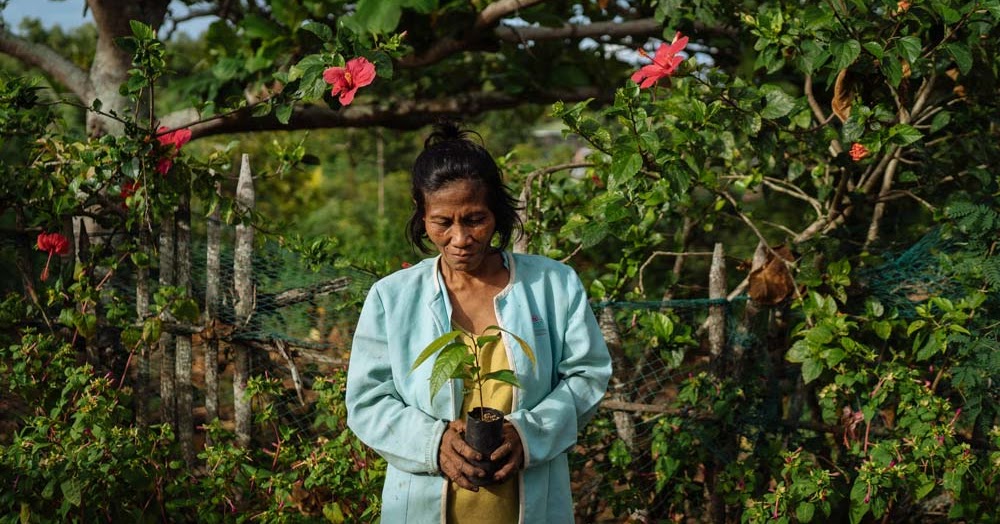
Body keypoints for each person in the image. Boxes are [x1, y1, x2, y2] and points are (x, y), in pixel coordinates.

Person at [346, 121, 612, 523]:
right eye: (442, 222)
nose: (460, 238)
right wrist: (432, 444)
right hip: (420, 507)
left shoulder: (553, 285)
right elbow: (367, 400)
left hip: (530, 506)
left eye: (474, 220)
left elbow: (587, 375)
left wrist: (529, 434)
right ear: (422, 217)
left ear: (497, 214)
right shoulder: (393, 297)